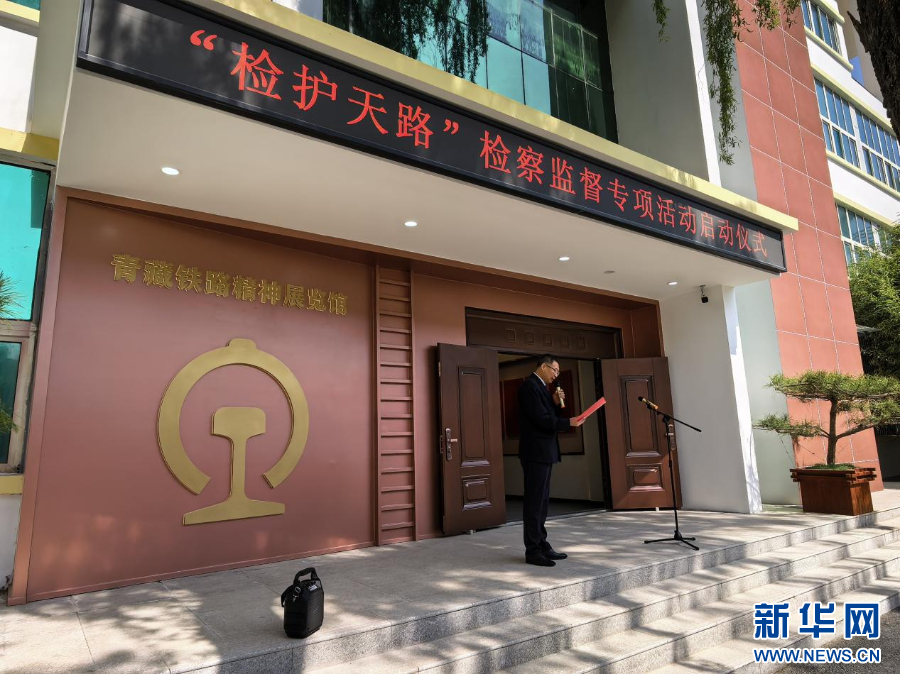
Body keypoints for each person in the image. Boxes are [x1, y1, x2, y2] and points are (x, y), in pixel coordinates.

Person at [517, 355, 585, 567]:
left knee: (543, 501)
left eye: (558, 372)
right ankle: (532, 550)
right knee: (534, 502)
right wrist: (568, 422)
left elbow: (547, 414)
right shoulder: (529, 386)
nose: (556, 375)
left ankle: (542, 543)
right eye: (554, 370)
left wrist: (555, 403)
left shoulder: (542, 388)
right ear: (543, 367)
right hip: (535, 452)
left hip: (544, 451)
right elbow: (541, 419)